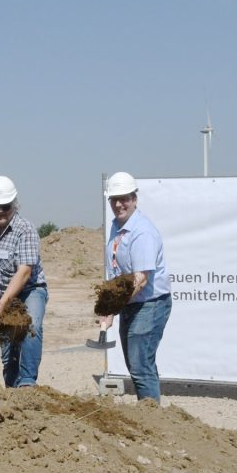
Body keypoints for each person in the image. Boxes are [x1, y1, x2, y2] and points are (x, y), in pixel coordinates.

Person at [100, 171, 172, 403]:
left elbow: (140, 280)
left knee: (141, 364)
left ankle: (151, 416)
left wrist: (111, 310)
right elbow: (119, 273)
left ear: (135, 199)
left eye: (125, 198)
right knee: (136, 364)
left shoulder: (142, 232)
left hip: (149, 304)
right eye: (114, 199)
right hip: (131, 304)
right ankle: (148, 410)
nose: (119, 204)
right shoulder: (117, 226)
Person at [0, 175, 48, 388]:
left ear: (14, 205)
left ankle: (27, 384)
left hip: (29, 291)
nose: (0, 212)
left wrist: (1, 304)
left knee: (30, 326)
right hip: (2, 296)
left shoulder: (25, 229)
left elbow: (24, 272)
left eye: (5, 207)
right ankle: (11, 389)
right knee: (9, 350)